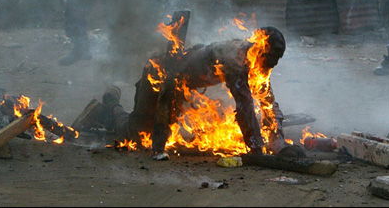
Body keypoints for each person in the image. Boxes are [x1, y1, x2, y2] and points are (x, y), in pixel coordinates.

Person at [93, 26, 303, 160]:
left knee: (163, 130)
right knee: (135, 133)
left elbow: (267, 100)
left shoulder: (256, 60)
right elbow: (245, 105)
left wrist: (279, 143)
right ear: (261, 48)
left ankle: (113, 105)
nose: (274, 63)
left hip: (178, 89)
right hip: (157, 77)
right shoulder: (235, 57)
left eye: (278, 58)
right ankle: (110, 104)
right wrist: (257, 151)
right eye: (273, 57)